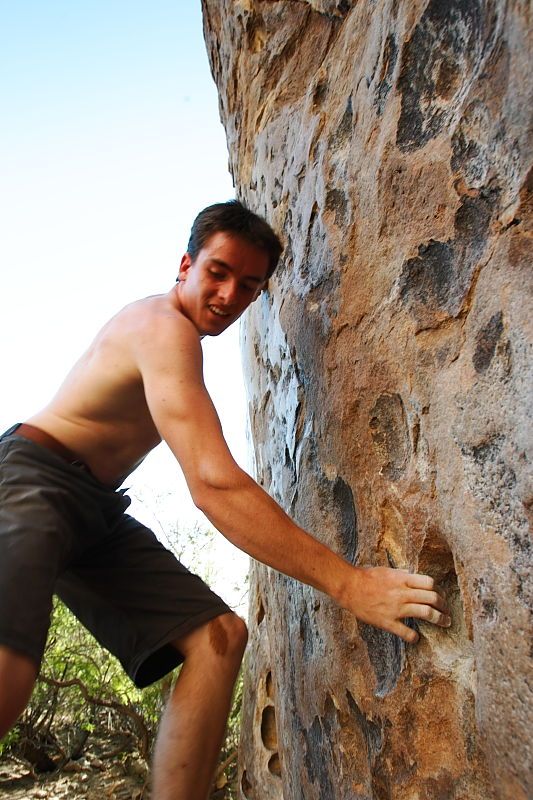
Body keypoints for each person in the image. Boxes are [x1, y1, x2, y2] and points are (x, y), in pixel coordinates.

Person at [0, 200, 450, 799]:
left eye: (249, 285)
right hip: (33, 478)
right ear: (185, 265)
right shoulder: (161, 327)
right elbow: (212, 485)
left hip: (95, 509)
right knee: (10, 668)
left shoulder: (182, 341)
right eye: (218, 272)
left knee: (218, 637)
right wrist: (351, 584)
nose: (228, 294)